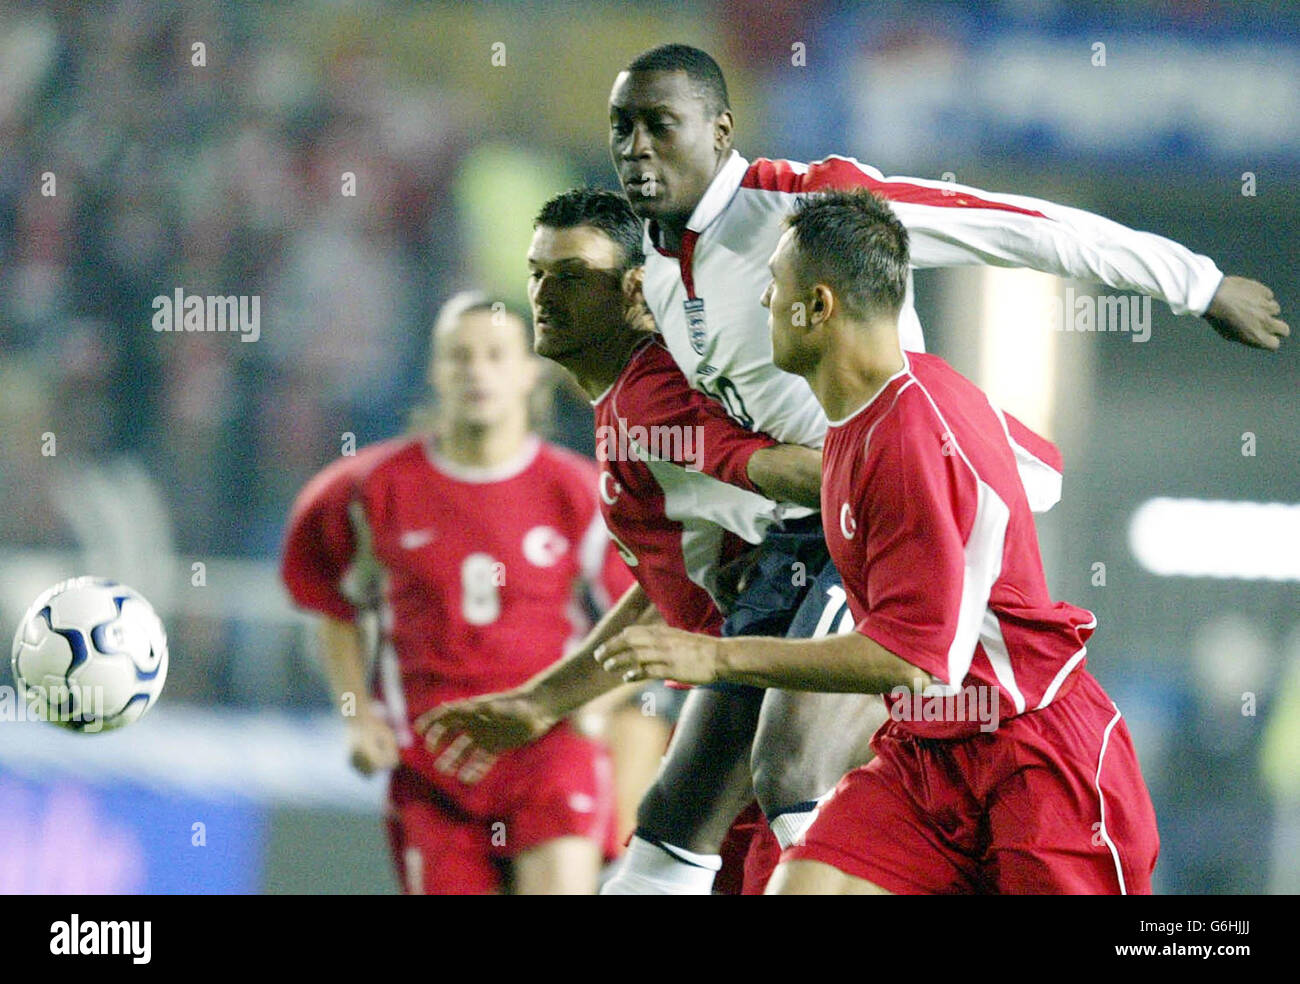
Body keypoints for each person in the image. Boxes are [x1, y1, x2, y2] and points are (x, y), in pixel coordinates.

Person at [589, 41, 1287, 892]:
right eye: (621, 126)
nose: (635, 147)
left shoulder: (816, 207)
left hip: (908, 510)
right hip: (819, 532)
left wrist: (1195, 283)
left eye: (659, 125)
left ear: (721, 129)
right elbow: (722, 432)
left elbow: (1016, 225)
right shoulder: (658, 268)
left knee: (788, 764)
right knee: (684, 801)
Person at [599, 189, 1161, 894]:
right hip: (926, 759)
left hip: (1036, 757)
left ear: (819, 307)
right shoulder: (863, 416)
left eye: (774, 286)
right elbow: (1033, 464)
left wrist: (716, 656)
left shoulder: (909, 436)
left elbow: (911, 662)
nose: (764, 302)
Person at [419, 188, 822, 893]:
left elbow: (801, 485)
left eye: (573, 276)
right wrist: (542, 700)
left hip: (778, 727)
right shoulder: (623, 406)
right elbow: (668, 589)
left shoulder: (652, 399)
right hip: (743, 731)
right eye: (538, 273)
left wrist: (908, 471)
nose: (547, 294)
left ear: (636, 290)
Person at [280, 293, 635, 895]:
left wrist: (596, 707)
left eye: (496, 355)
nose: (477, 372)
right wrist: (355, 715)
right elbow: (332, 606)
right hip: (434, 765)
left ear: (531, 371)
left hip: (547, 753)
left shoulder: (580, 493)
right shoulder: (366, 489)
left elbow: (649, 617)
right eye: (459, 357)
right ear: (436, 371)